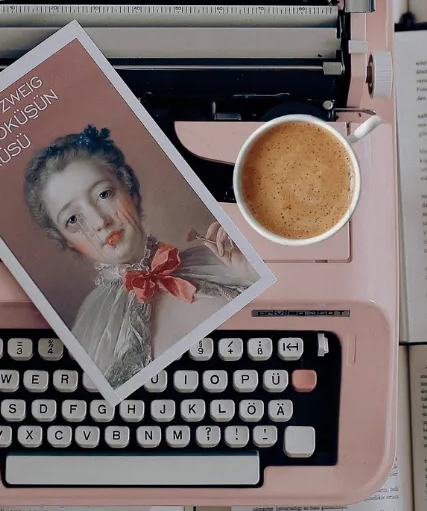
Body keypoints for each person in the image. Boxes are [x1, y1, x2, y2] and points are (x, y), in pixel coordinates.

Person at [23, 125, 259, 387]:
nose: (99, 221)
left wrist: (250, 271)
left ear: (129, 188)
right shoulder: (91, 335)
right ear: (65, 241)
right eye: (73, 219)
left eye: (103, 195)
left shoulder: (224, 258)